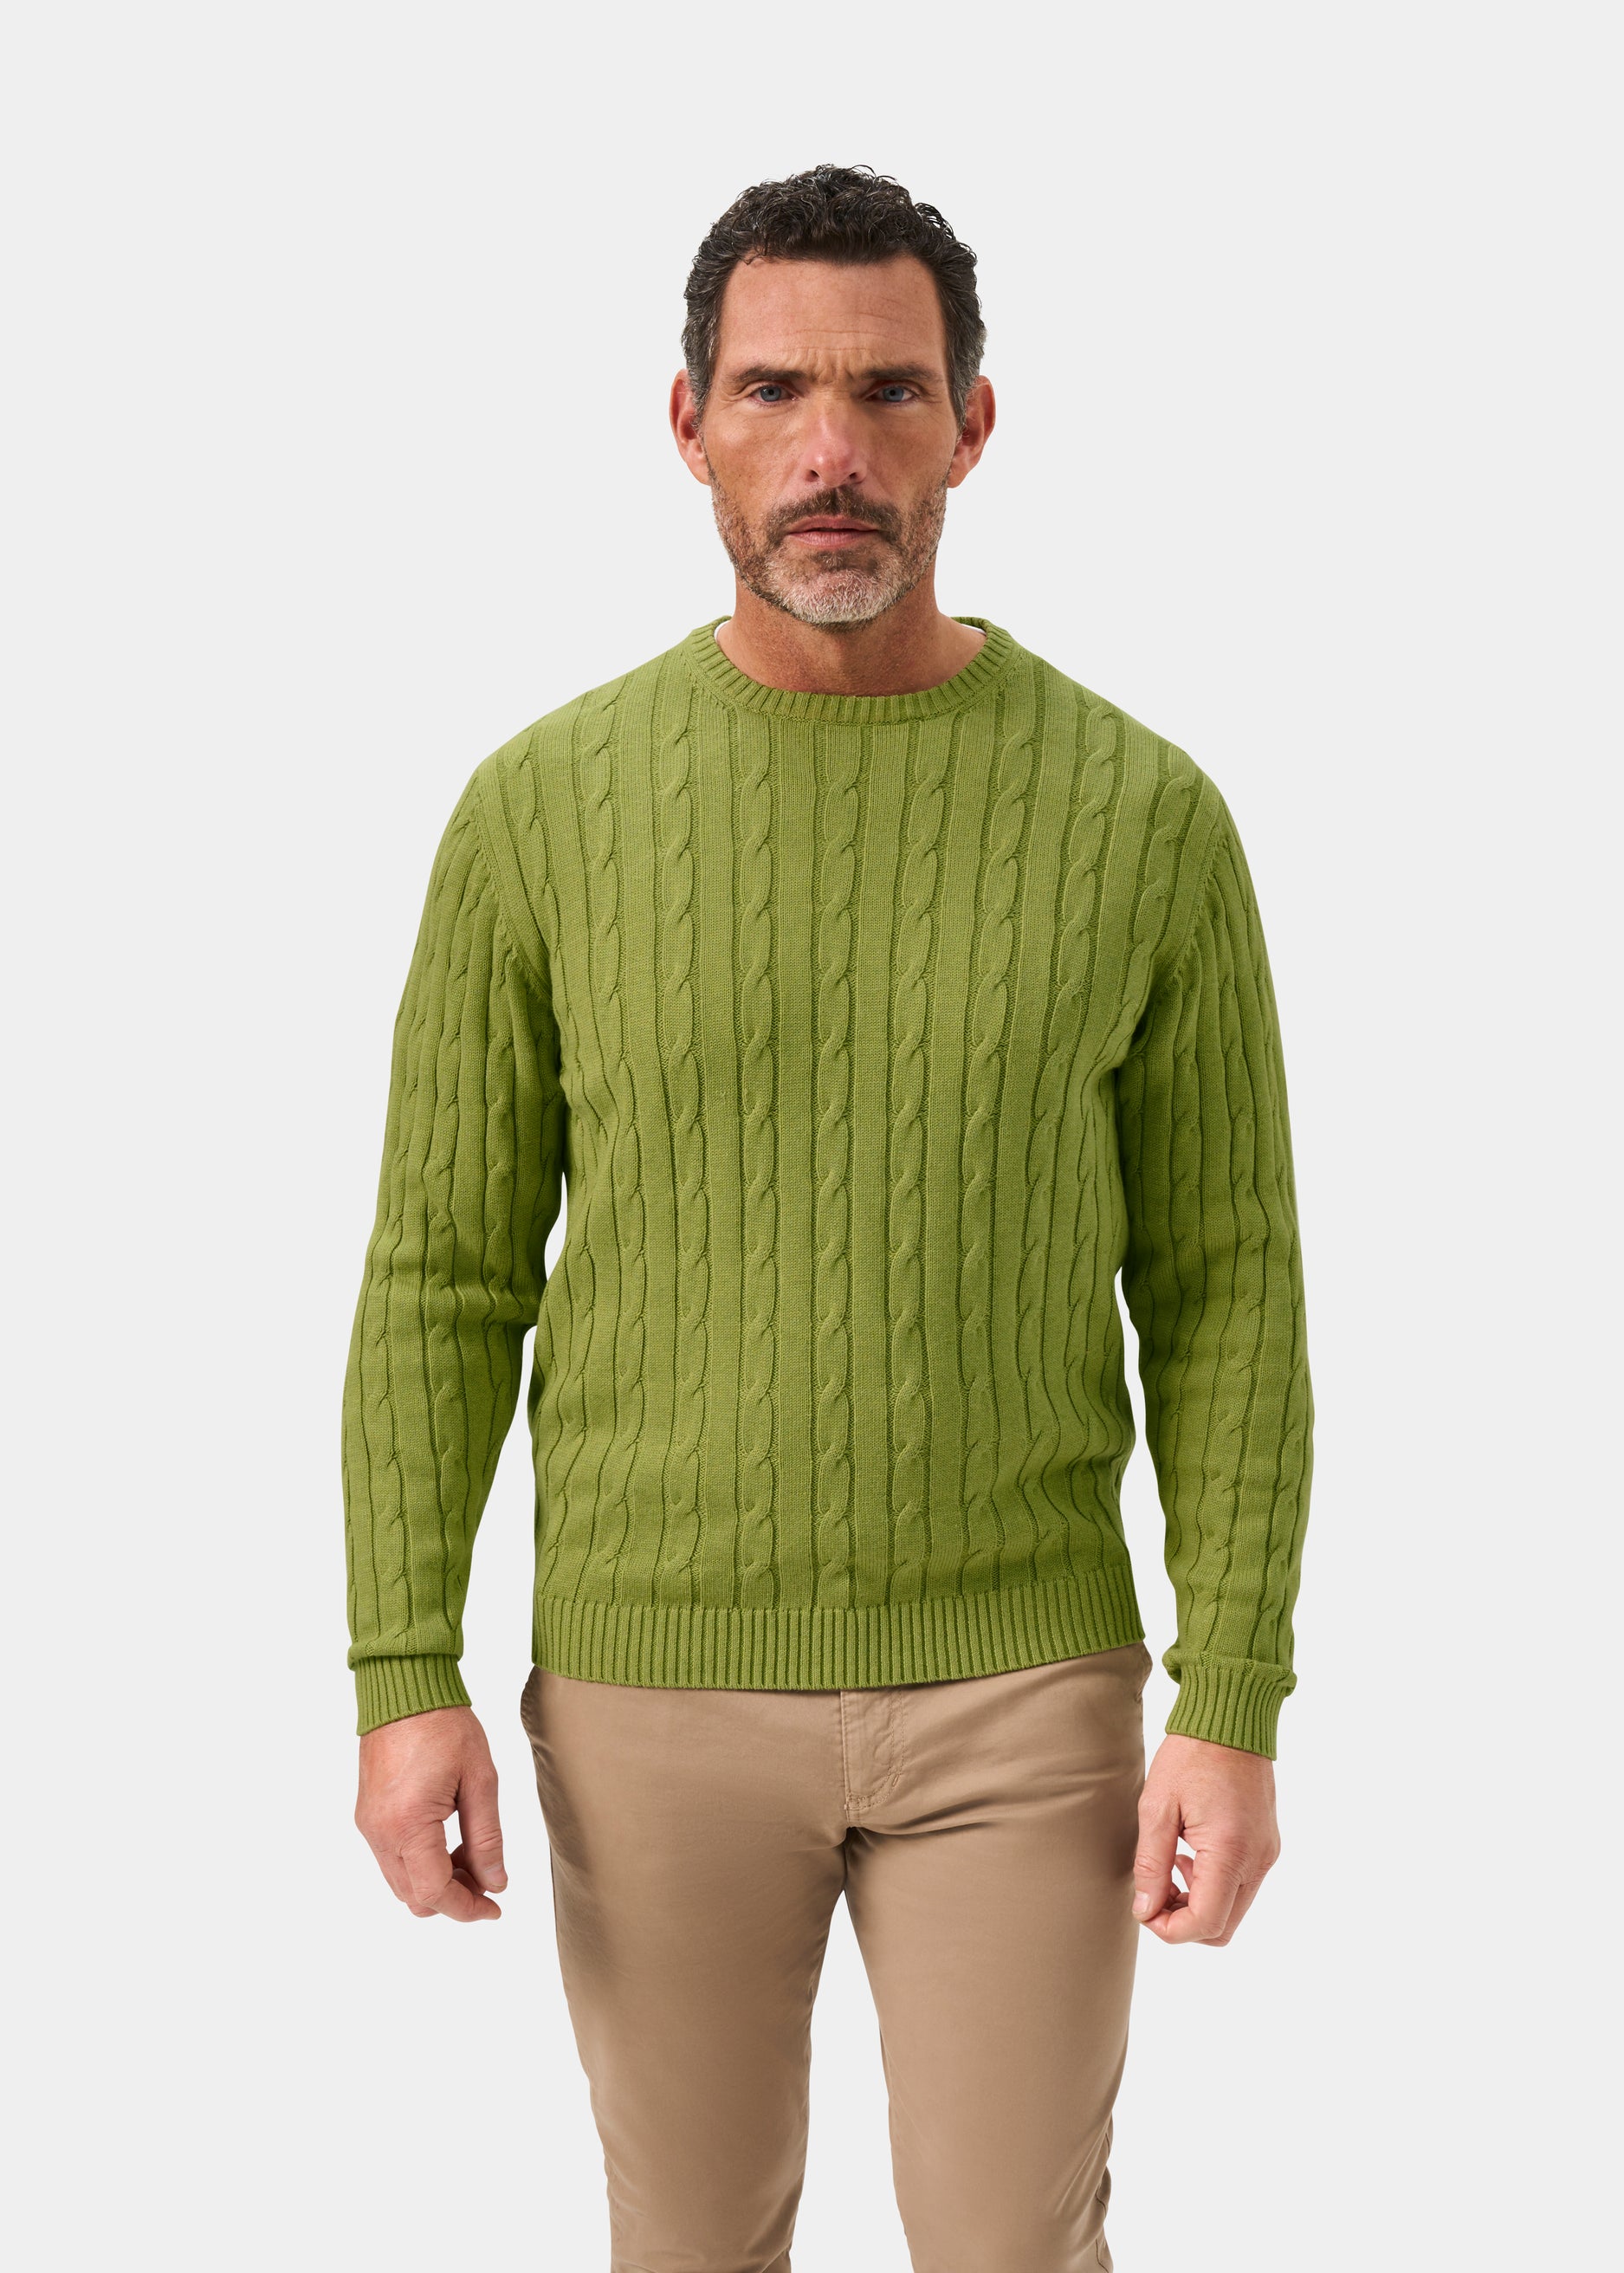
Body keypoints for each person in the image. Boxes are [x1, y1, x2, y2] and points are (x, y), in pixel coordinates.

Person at [342, 162, 1314, 2272]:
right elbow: (442, 1277)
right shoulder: (542, 810)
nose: (829, 449)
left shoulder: (1141, 817)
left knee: (1010, 2248)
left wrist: (1229, 1689)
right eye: (773, 389)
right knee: (688, 2246)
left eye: (887, 390)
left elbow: (1225, 1287)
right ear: (685, 422)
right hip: (649, 1684)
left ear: (972, 424)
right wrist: (401, 1666)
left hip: (1023, 1684)